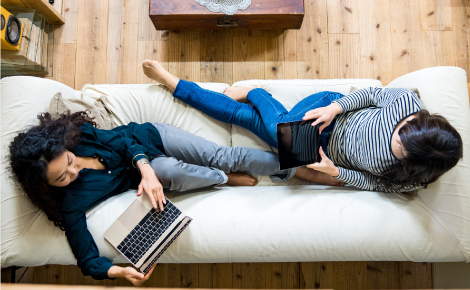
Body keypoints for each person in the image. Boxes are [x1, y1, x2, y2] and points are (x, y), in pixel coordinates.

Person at [8, 111, 295, 285]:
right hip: (158, 171)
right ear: (46, 186)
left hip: (150, 139)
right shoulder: (70, 204)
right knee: (169, 169)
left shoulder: (80, 136)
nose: (74, 170)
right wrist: (117, 273)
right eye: (62, 177)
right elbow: (87, 259)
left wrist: (143, 167)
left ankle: (298, 163)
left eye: (70, 160)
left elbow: (123, 141)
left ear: (67, 147)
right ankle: (223, 177)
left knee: (225, 156)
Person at [142, 60, 463, 194]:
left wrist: (334, 171)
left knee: (246, 118)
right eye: (402, 129)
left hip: (319, 152)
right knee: (279, 125)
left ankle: (174, 83)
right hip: (329, 112)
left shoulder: (411, 179)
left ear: (413, 163)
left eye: (400, 149)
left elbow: (374, 183)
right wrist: (334, 107)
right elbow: (371, 94)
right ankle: (257, 92)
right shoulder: (407, 104)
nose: (396, 137)